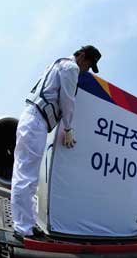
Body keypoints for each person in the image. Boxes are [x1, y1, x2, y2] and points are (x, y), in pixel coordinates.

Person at [11, 45, 101, 239]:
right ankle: (22, 228)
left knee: (29, 176)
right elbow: (68, 100)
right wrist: (68, 128)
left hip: (34, 119)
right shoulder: (71, 68)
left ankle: (28, 222)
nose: (86, 69)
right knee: (26, 176)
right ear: (82, 56)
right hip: (36, 122)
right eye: (89, 64)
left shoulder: (57, 63)